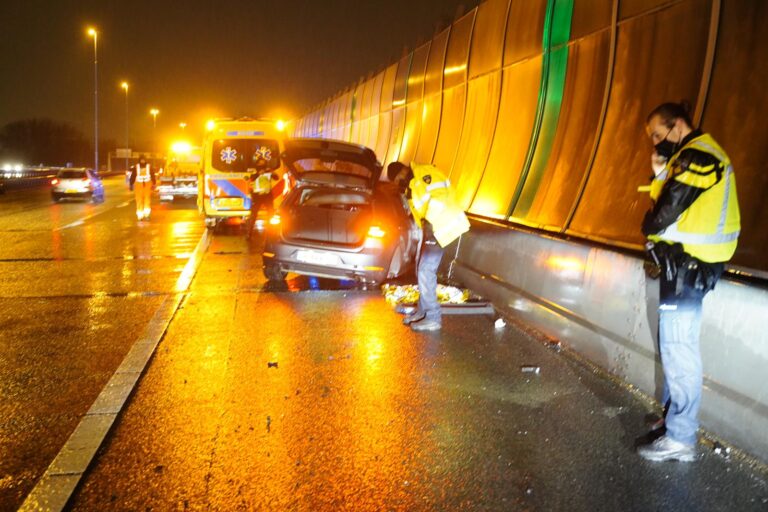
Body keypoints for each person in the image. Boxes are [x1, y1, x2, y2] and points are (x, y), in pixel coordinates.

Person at [637, 102, 741, 462]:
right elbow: (666, 199)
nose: (654, 141)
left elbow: (667, 210)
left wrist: (649, 226)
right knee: (673, 345)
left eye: (657, 133)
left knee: (679, 347)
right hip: (681, 264)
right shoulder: (685, 158)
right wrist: (658, 175)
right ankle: (673, 419)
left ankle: (681, 437)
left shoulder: (698, 155)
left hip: (692, 267)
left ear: (677, 125)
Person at [387, 161, 470, 332]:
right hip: (432, 226)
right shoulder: (412, 184)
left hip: (441, 223)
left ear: (402, 170)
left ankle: (433, 317)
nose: (399, 182)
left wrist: (430, 224)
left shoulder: (424, 173)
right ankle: (423, 311)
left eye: (398, 178)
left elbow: (439, 196)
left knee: (426, 269)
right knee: (420, 266)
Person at [245, 159, 278, 238]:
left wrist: (272, 172)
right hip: (257, 196)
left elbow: (276, 178)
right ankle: (249, 233)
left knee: (271, 214)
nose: (261, 165)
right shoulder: (253, 172)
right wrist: (258, 174)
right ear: (256, 164)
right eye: (259, 164)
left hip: (267, 195)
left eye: (263, 164)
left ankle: (272, 233)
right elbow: (251, 179)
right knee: (253, 215)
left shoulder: (268, 171)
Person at [129, 156, 156, 221]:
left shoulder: (149, 167)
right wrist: (131, 184)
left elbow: (152, 175)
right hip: (138, 185)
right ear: (139, 160)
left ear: (145, 160)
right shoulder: (136, 167)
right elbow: (133, 175)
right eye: (141, 160)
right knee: (139, 200)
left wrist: (154, 183)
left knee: (147, 200)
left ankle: (146, 215)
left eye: (144, 160)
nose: (142, 161)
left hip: (147, 185)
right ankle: (140, 215)